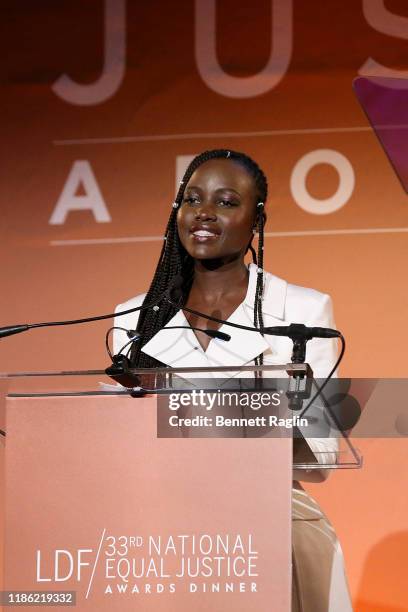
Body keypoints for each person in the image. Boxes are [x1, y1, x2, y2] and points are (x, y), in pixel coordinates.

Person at [114, 149, 353, 611]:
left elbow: (323, 453)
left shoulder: (303, 311)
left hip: (274, 523)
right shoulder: (134, 318)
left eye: (226, 202)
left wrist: (219, 420)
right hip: (166, 531)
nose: (204, 212)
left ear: (256, 218)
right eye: (191, 199)